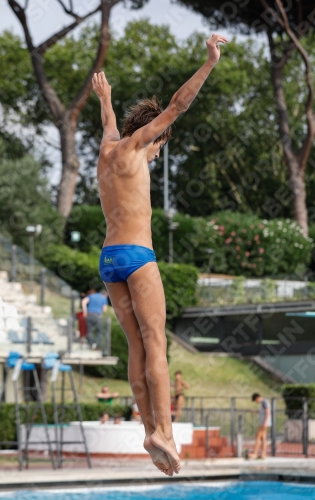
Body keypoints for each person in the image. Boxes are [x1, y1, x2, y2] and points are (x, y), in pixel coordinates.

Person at [92, 33, 228, 477]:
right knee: (156, 344)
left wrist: (105, 96)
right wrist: (208, 64)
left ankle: (148, 428)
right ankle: (164, 433)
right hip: (137, 255)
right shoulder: (135, 147)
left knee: (135, 344)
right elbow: (176, 106)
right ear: (150, 134)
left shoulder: (108, 149)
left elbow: (110, 120)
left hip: (109, 259)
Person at [248, 393, 271, 460]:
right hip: (264, 423)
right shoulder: (263, 402)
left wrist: (265, 423)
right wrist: (255, 411)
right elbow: (262, 412)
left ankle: (255, 453)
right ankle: (263, 454)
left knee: (257, 437)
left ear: (257, 398)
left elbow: (267, 412)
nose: (256, 402)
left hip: (264, 423)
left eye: (255, 400)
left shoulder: (264, 402)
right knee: (263, 438)